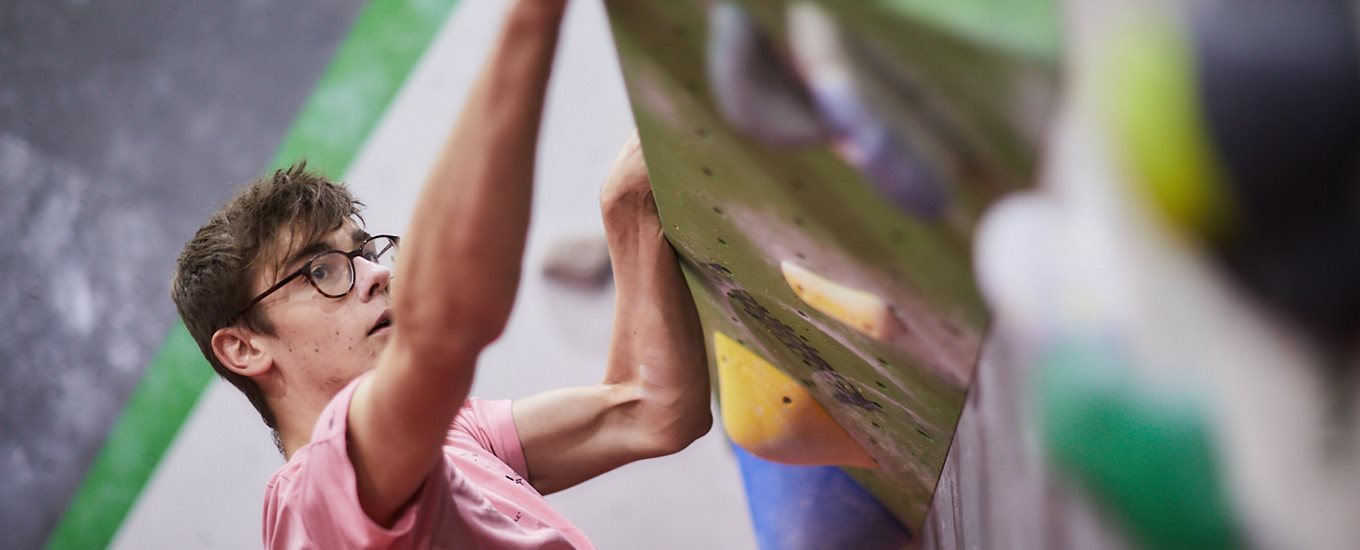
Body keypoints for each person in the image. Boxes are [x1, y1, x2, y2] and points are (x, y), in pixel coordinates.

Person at [170, 0, 711, 547]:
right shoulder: (315, 500)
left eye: (364, 253)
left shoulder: (454, 435)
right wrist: (533, 17)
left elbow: (652, 409)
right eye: (320, 270)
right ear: (243, 347)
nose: (374, 276)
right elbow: (445, 329)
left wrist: (626, 206)